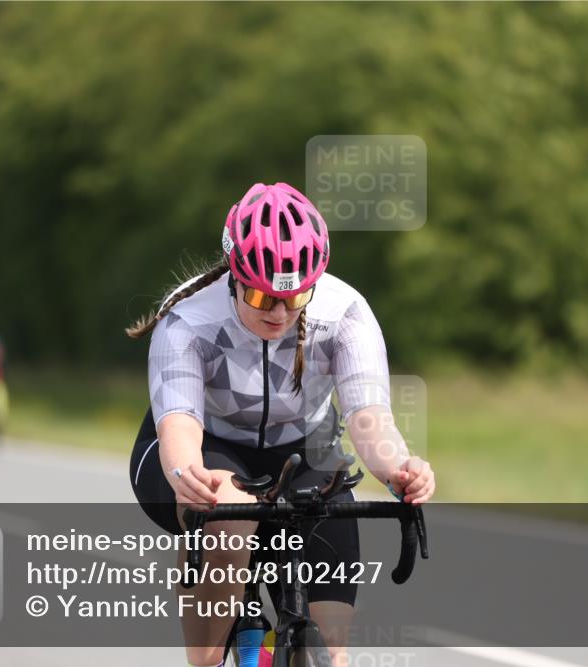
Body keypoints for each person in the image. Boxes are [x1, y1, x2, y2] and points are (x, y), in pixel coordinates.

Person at [127, 182, 435, 667]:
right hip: (207, 447)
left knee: (331, 654)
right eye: (261, 295)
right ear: (234, 275)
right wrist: (190, 477)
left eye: (295, 298)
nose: (279, 312)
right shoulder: (188, 321)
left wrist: (399, 469)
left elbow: (369, 419)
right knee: (229, 517)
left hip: (303, 451)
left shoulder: (346, 314)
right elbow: (181, 426)